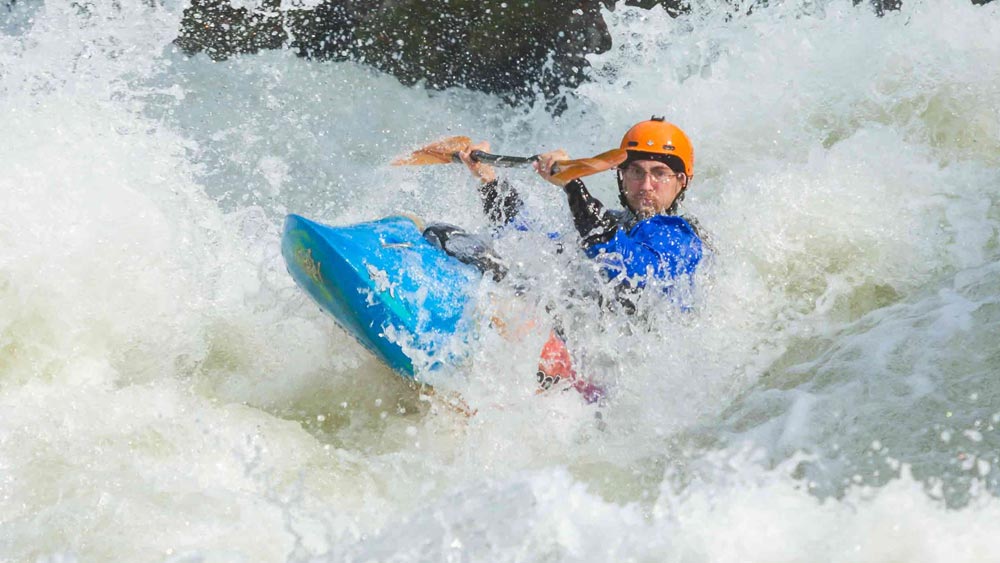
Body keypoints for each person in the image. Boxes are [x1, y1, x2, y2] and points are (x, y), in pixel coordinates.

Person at [444, 116, 706, 401]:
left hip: (625, 389)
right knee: (473, 250)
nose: (646, 185)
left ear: (680, 182)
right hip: (582, 365)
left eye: (659, 173)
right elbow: (529, 243)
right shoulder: (614, 225)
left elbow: (628, 267)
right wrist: (489, 179)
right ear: (621, 176)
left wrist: (572, 185)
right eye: (636, 172)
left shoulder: (682, 237)